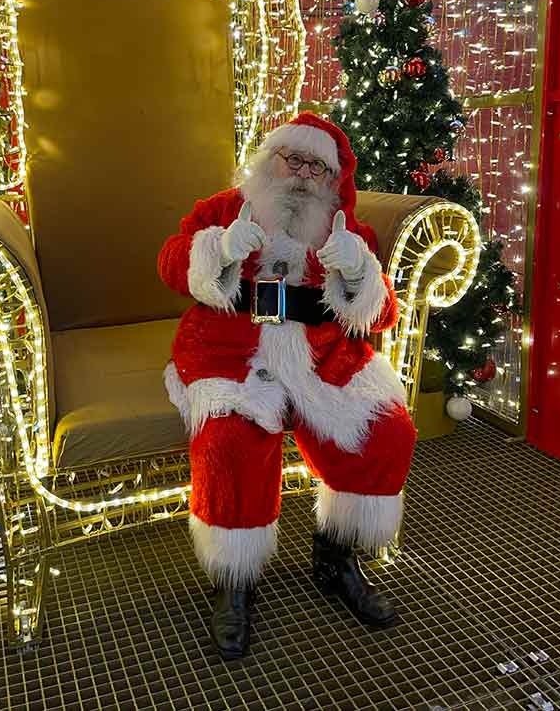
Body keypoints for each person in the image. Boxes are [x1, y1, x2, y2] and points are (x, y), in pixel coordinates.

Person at [157, 112, 417, 660]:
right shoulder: (224, 208)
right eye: (293, 159)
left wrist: (359, 272)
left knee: (387, 429)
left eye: (317, 168)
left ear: (332, 181)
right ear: (270, 159)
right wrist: (218, 249)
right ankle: (234, 581)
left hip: (321, 359)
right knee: (230, 441)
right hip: (233, 353)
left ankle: (336, 557)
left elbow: (383, 315)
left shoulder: (344, 229)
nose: (302, 174)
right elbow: (170, 261)